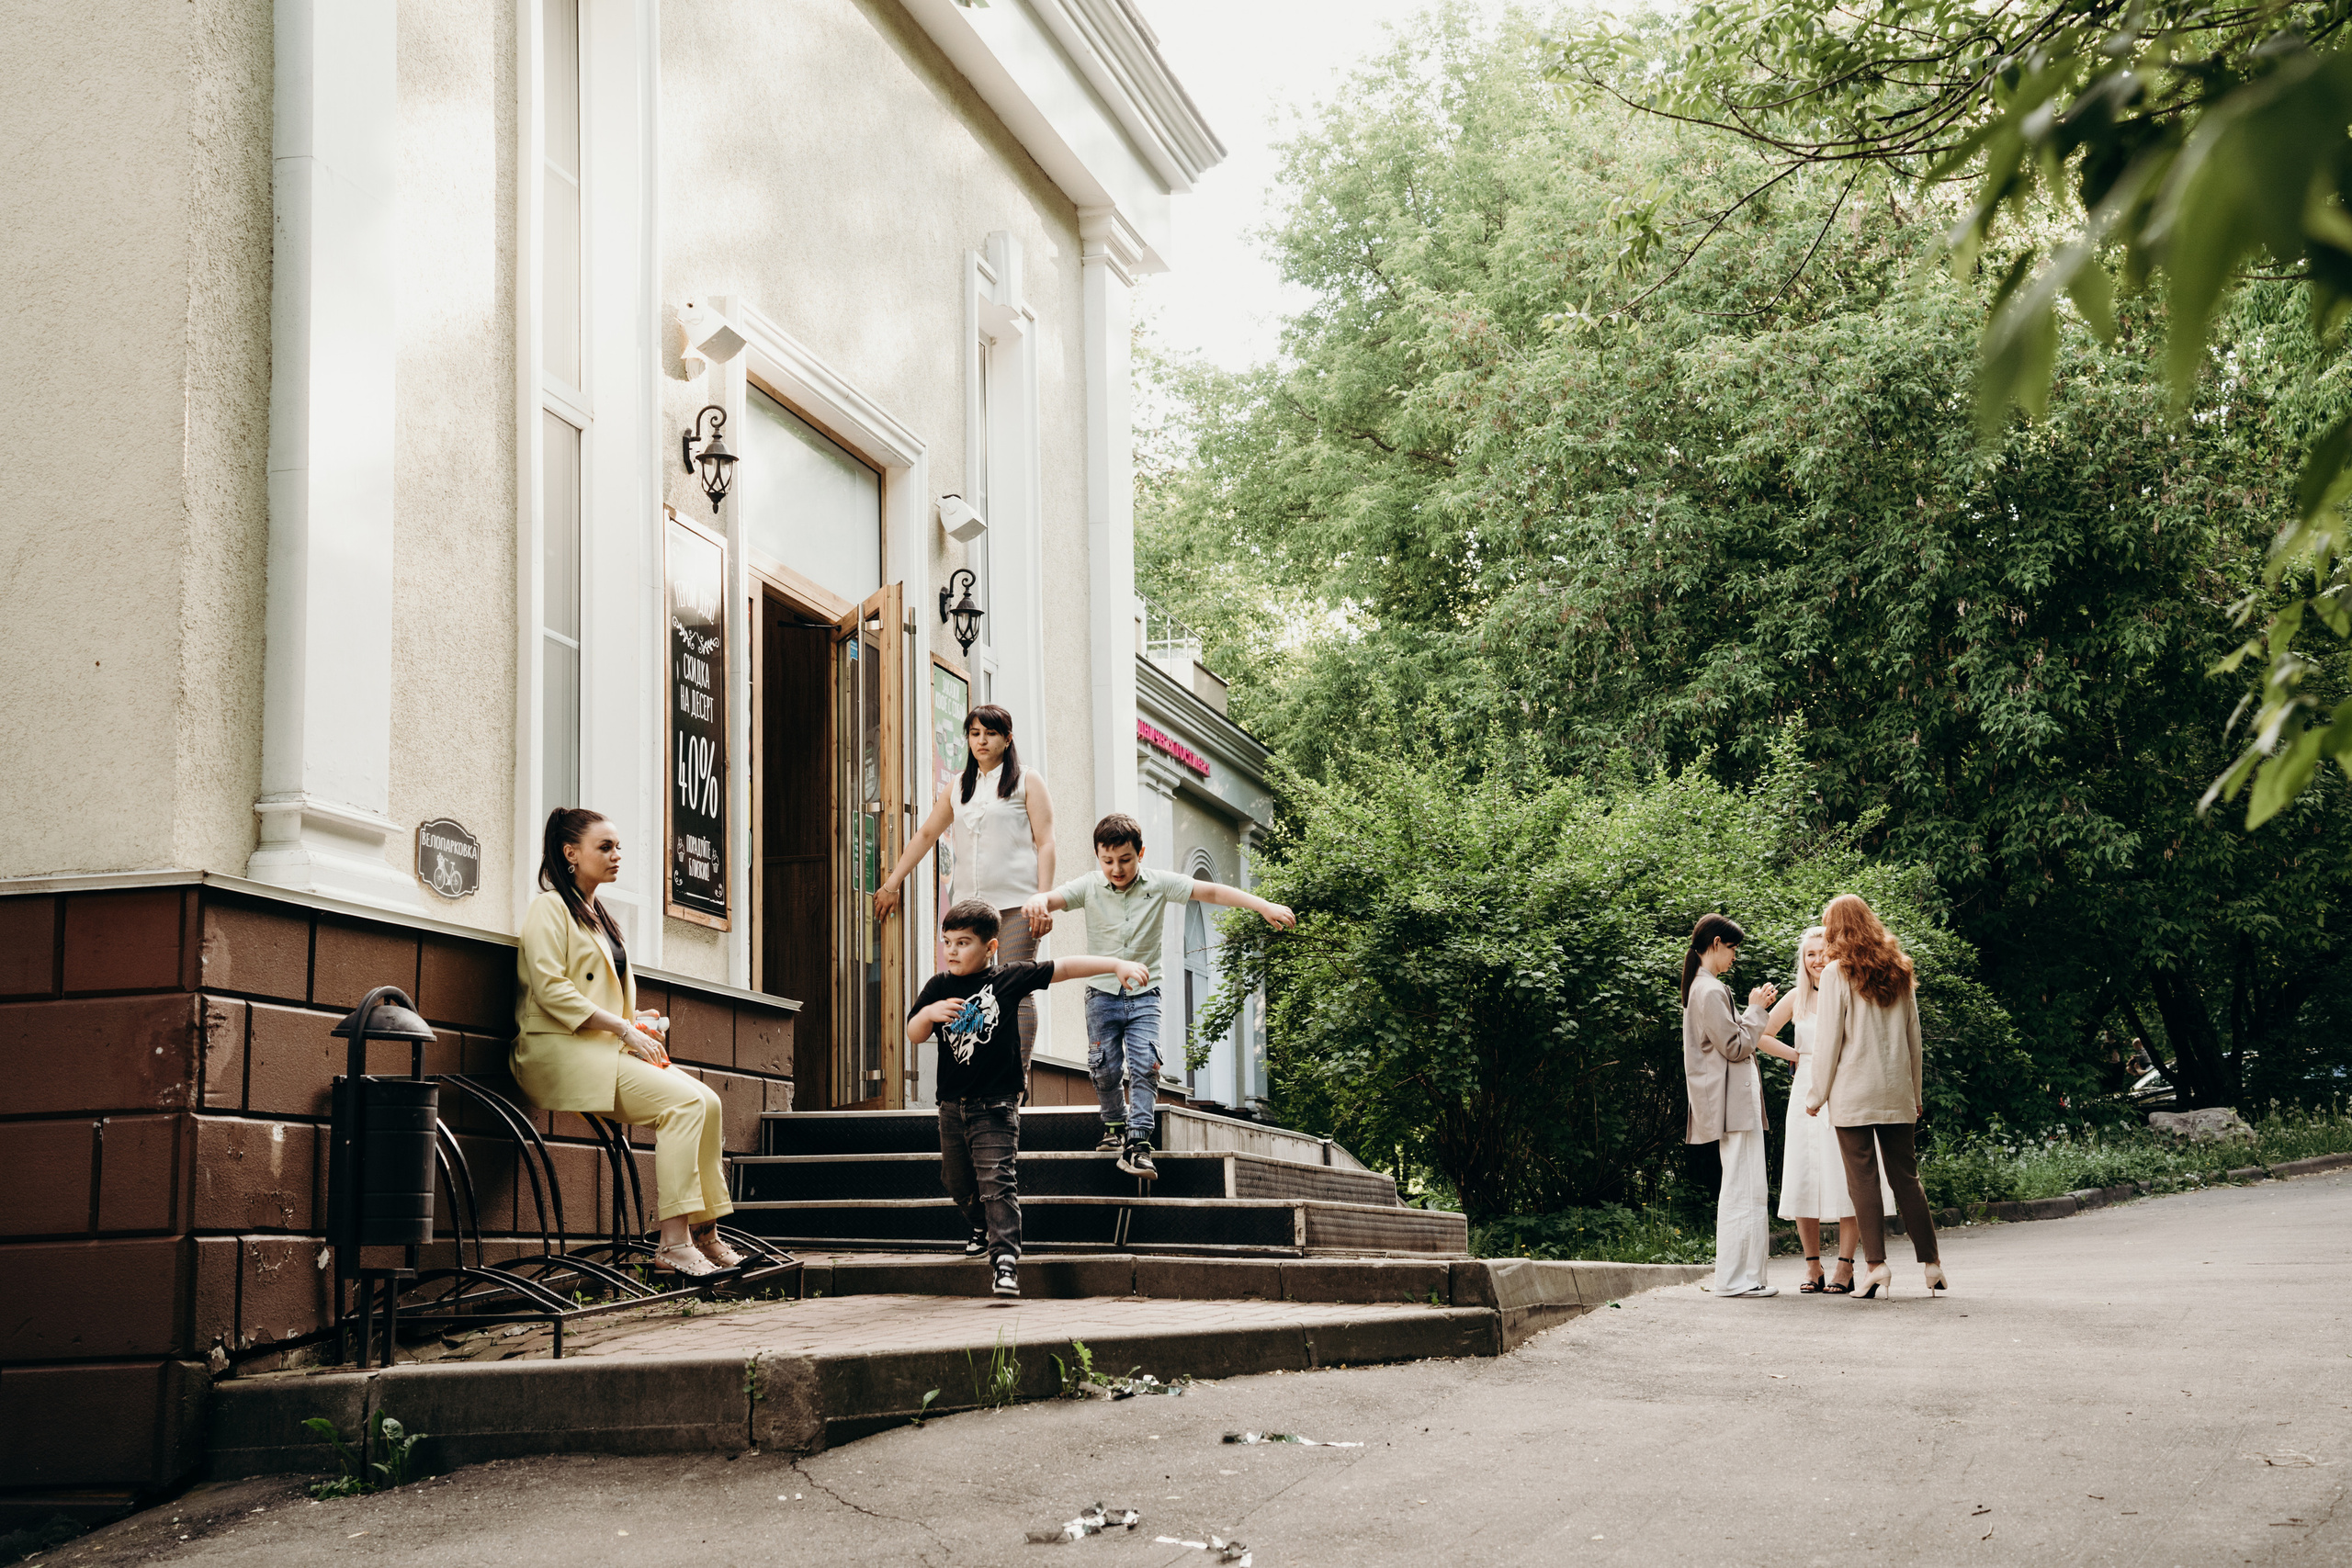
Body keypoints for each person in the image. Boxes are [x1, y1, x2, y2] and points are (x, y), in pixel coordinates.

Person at [513, 808, 739, 1279]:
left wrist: (636, 1020)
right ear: (569, 853)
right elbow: (551, 988)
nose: (617, 856)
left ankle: (704, 1233)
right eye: (605, 847)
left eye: (618, 847)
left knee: (709, 1102)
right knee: (684, 1105)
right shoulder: (550, 908)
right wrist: (624, 1029)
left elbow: (590, 992)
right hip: (558, 1054)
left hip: (600, 1048)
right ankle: (672, 1244)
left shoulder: (598, 916)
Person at [1023, 813, 1295, 1179]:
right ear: (1097, 857)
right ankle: (1114, 1126)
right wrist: (1038, 900)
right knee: (1103, 1068)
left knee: (1146, 1065)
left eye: (1125, 860)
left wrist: (1262, 905)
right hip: (1100, 994)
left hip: (1145, 995)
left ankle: (1138, 1142)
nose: (1116, 869)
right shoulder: (1088, 886)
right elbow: (1052, 898)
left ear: (1140, 853)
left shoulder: (1159, 883)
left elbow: (1209, 891)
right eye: (1108, 861)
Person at [909, 898, 1148, 1296]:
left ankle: (1004, 1262)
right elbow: (914, 1033)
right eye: (947, 942)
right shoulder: (938, 987)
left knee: (997, 1182)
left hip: (996, 1105)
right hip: (951, 1107)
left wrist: (1117, 965)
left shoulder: (1008, 978)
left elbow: (1066, 967)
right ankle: (980, 1224)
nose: (951, 950)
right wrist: (929, 1012)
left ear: (991, 947)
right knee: (955, 1180)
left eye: (963, 942)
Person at [876, 705, 1056, 1085]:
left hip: (1018, 905)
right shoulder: (958, 786)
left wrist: (1044, 898)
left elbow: (1047, 842)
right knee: (974, 991)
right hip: (971, 907)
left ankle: (1016, 1080)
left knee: (1016, 986)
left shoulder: (1027, 781)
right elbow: (926, 835)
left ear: (1007, 739)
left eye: (990, 734)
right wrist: (893, 883)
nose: (981, 741)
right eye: (974, 734)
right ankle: (977, 1075)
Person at [1805, 893, 1949, 1300]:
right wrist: (1915, 1093)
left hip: (1853, 1092)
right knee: (1907, 1178)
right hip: (1895, 1090)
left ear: (1838, 928)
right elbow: (1913, 1041)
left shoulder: (1835, 973)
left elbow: (1829, 1040)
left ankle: (1875, 1267)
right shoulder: (1901, 970)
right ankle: (1932, 1265)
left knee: (1863, 1181)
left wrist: (1816, 1095)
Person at [1762, 926, 1895, 1294]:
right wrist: (1799, 1056)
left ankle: (1845, 1264)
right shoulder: (1796, 997)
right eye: (1810, 954)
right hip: (1805, 1089)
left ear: (1837, 955)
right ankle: (1812, 1265)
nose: (1818, 960)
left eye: (1824, 953)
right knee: (1805, 1174)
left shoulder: (1851, 992)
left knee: (1845, 1174)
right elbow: (1760, 1033)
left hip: (1844, 1089)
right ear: (1802, 962)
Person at [1680, 913, 1780, 1299]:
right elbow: (1736, 1046)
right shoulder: (1709, 990)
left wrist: (1755, 1011)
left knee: (1747, 1187)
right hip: (1732, 1107)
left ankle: (1744, 1277)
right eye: (1733, 948)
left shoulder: (1706, 988)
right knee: (1742, 1189)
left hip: (1734, 1105)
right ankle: (1736, 1280)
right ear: (1717, 943)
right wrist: (1756, 1010)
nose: (1734, 956)